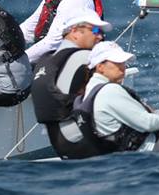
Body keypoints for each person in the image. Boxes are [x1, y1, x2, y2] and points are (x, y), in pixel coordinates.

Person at [29, 9, 111, 159]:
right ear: (74, 32)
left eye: (101, 32)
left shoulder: (46, 59)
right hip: (84, 141)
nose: (100, 36)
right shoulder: (86, 57)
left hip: (60, 143)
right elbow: (113, 94)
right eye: (95, 30)